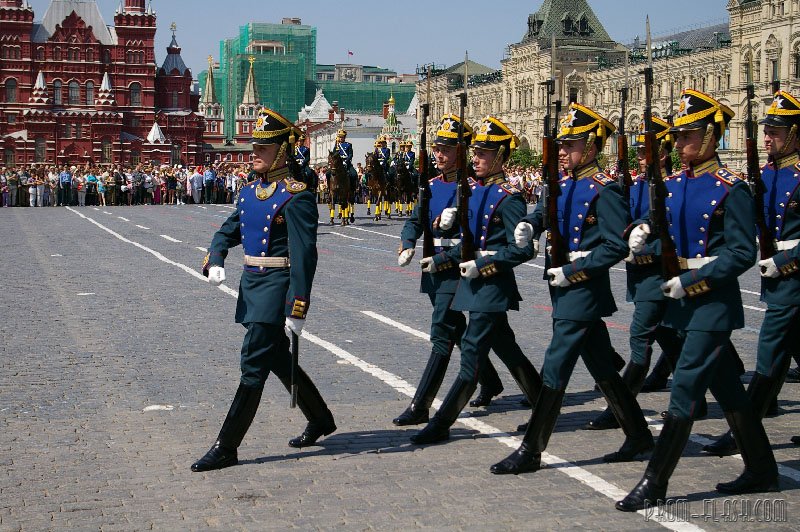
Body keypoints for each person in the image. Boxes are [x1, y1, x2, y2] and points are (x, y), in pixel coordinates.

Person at [617, 89, 778, 511]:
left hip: (711, 303)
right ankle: (762, 466)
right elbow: (656, 228)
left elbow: (742, 253)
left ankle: (655, 480)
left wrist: (692, 281)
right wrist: (638, 231)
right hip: (680, 302)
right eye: (678, 136)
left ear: (710, 136)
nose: (678, 143)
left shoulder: (732, 190)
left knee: (684, 388)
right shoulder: (672, 185)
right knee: (729, 389)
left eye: (687, 136)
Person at [493, 103, 653, 475]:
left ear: (593, 147)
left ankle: (531, 448)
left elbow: (616, 245)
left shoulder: (605, 190)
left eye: (572, 144)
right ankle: (639, 434)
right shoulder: (561, 184)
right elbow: (545, 214)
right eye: (561, 144)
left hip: (582, 288)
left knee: (556, 364)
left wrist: (576, 271)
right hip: (560, 284)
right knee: (602, 365)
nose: (562, 150)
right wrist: (531, 225)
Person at [191, 106, 336, 472]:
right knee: (275, 358)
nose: (254, 153)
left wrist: (298, 304)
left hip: (277, 287)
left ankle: (227, 445)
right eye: (254, 147)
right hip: (252, 285)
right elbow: (228, 231)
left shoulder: (297, 196)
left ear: (283, 151)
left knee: (253, 361)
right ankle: (319, 417)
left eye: (263, 148)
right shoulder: (248, 192)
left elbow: (305, 255)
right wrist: (217, 258)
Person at [410, 116, 541, 445]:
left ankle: (440, 423)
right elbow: (467, 242)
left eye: (483, 153)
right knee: (506, 347)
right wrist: (441, 258)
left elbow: (521, 250)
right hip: (471, 282)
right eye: (476, 152)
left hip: (491, 286)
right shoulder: (472, 191)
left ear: (499, 158)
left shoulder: (508, 197)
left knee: (470, 353)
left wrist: (484, 265)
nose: (476, 158)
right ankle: (542, 401)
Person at [393, 115, 516, 427]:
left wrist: (442, 259)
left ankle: (420, 405)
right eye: (437, 148)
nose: (439, 154)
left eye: (446, 149)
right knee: (491, 337)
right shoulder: (431, 185)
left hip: (458, 270)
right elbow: (416, 220)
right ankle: (500, 382)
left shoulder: (475, 188)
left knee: (442, 333)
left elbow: (474, 238)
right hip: (433, 269)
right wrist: (407, 241)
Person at [702, 89, 800, 456]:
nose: (768, 137)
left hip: (792, 278)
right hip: (777, 278)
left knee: (769, 351)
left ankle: (744, 430)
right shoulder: (766, 173)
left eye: (775, 131)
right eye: (767, 130)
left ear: (794, 133)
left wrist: (785, 262)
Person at [584, 116, 685, 430]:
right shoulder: (633, 185)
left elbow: (681, 237)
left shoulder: (674, 186)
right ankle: (695, 397)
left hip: (660, 274)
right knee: (670, 336)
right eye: (638, 152)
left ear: (664, 154)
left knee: (640, 338)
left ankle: (621, 407)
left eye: (645, 153)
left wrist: (648, 250)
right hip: (639, 276)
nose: (640, 158)